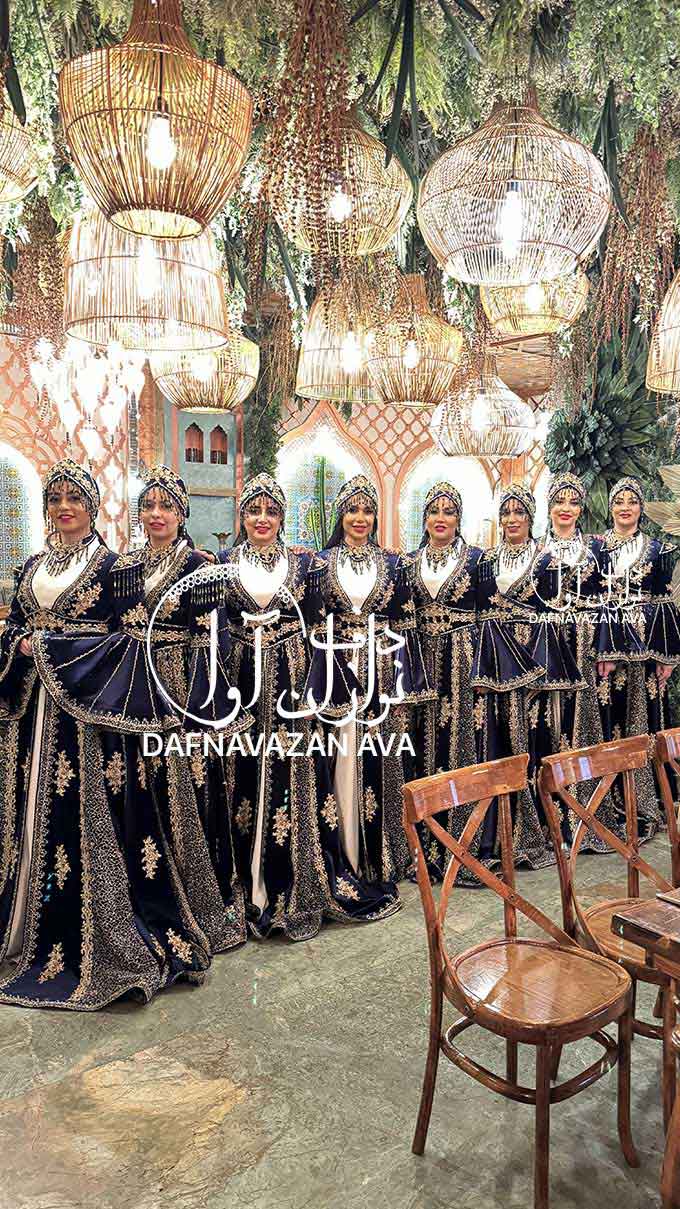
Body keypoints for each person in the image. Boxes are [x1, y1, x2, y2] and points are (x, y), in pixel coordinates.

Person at [0, 459, 208, 1010]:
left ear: (92, 507)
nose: (64, 507)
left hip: (91, 719)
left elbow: (130, 641)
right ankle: (23, 924)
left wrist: (52, 648)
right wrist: (19, 644)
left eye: (75, 498)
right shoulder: (33, 565)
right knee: (32, 813)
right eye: (56, 499)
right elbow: (15, 625)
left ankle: (96, 936)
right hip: (36, 711)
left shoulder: (115, 568)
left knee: (87, 816)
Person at [217, 472, 399, 940]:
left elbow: (318, 626)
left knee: (296, 772)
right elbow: (217, 627)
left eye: (271, 511)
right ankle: (245, 882)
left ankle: (298, 874)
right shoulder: (223, 564)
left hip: (292, 679)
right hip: (243, 679)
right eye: (254, 510)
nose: (262, 518)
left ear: (282, 517)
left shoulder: (305, 566)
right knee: (245, 772)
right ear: (242, 516)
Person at [306, 473, 433, 885]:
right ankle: (341, 850)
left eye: (367, 510)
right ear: (340, 515)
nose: (360, 518)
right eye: (352, 510)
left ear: (376, 516)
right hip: (337, 670)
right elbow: (312, 622)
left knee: (383, 757)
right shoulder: (319, 564)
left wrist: (404, 682)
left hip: (381, 670)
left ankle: (382, 854)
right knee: (338, 755)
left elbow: (406, 625)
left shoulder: (394, 565)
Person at [473, 483, 550, 867]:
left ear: (530, 517)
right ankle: (492, 834)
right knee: (493, 741)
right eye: (506, 512)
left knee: (526, 742)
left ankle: (526, 831)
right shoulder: (485, 560)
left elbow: (555, 616)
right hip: (493, 664)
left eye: (520, 512)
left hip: (531, 663)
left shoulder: (546, 559)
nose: (512, 519)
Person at [595, 476, 680, 823]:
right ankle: (611, 800)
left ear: (641, 507)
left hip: (644, 655)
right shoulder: (596, 549)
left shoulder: (658, 551)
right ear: (610, 507)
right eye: (619, 501)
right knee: (609, 719)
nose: (625, 508)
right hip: (607, 653)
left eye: (632, 501)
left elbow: (664, 604)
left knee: (643, 722)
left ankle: (646, 800)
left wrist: (667, 658)